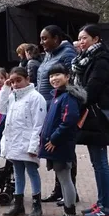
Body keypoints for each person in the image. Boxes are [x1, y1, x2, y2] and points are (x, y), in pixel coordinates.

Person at [72, 24, 109, 216]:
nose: (81, 42)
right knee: (96, 162)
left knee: (101, 163)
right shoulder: (86, 59)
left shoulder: (101, 61)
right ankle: (101, 202)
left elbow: (91, 91)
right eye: (79, 38)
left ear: (96, 39)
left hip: (98, 117)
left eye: (85, 38)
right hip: (92, 116)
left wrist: (71, 94)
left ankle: (106, 207)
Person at [0, 67, 47, 216]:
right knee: (17, 172)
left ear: (27, 79)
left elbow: (39, 124)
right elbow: (0, 108)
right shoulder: (13, 96)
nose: (15, 84)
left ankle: (37, 205)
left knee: (32, 171)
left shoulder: (36, 97)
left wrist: (33, 146)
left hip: (27, 141)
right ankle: (18, 204)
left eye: (18, 80)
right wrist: (5, 88)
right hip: (14, 141)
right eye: (12, 81)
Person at [36, 25, 79, 203]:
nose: (42, 42)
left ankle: (70, 191)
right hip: (48, 107)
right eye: (41, 38)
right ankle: (59, 190)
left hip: (60, 107)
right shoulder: (49, 54)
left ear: (56, 38)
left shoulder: (67, 54)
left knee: (64, 151)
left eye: (45, 38)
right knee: (54, 152)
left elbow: (71, 81)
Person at [41, 64, 86, 216]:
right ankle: (67, 213)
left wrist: (54, 139)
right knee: (63, 179)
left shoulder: (68, 96)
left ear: (67, 77)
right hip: (56, 145)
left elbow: (68, 121)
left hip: (61, 145)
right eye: (51, 76)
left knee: (66, 179)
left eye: (57, 75)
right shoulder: (57, 96)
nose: (54, 78)